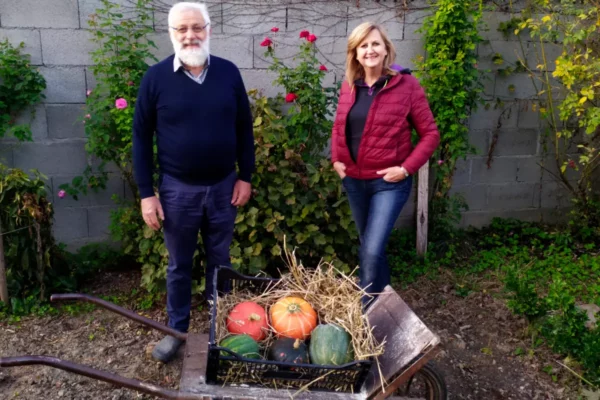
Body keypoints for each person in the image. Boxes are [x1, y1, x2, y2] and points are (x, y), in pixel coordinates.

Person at [132, 2, 255, 363]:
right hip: (176, 192)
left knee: (221, 262)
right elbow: (140, 137)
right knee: (178, 265)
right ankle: (177, 332)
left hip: (223, 188)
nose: (190, 35)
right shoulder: (155, 78)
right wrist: (146, 194)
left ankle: (225, 332)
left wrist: (245, 176)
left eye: (196, 27)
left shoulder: (229, 73)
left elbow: (244, 129)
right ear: (171, 34)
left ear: (209, 29)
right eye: (181, 29)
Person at [330, 22, 440, 305]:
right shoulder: (349, 86)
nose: (370, 50)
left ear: (386, 48)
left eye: (375, 44)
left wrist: (405, 169)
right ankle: (385, 307)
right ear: (355, 53)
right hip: (354, 181)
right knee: (372, 249)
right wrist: (336, 160)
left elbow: (430, 134)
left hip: (388, 184)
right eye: (363, 45)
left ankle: (363, 319)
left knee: (370, 251)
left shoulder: (407, 85)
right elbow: (339, 126)